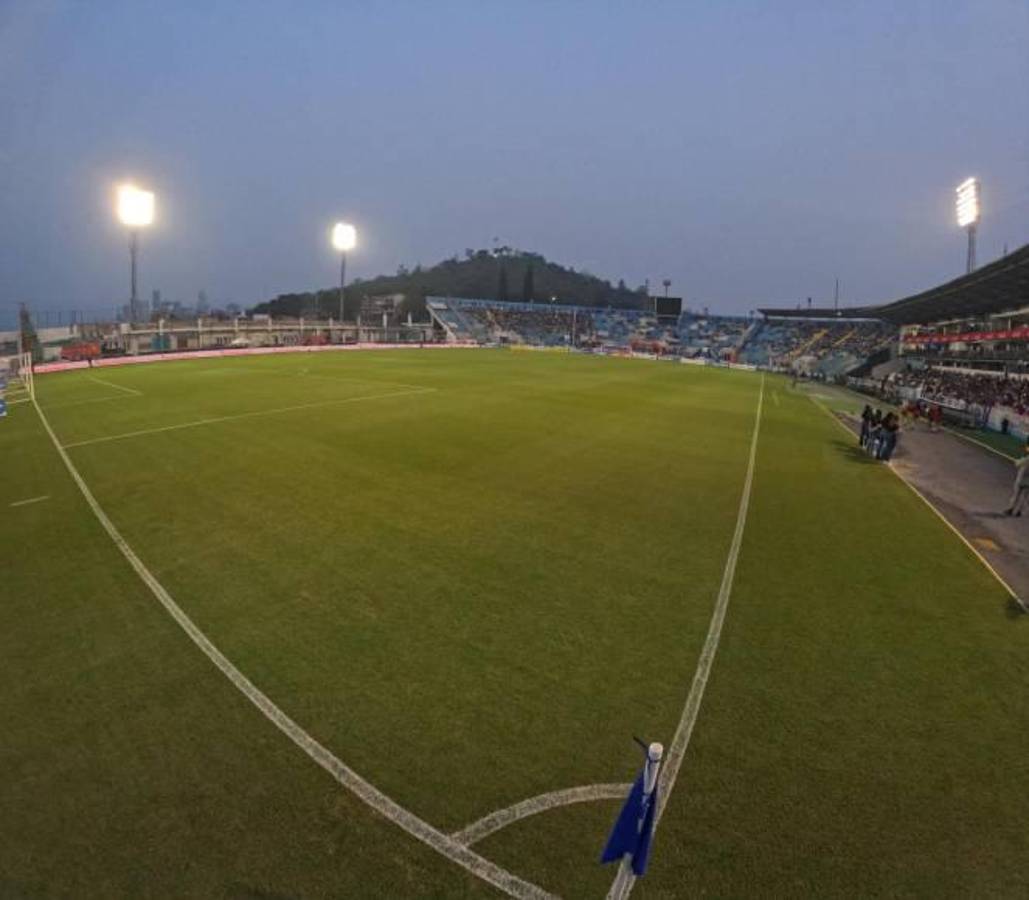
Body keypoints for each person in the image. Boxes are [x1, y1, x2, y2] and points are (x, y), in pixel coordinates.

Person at [1004, 442, 1029, 517]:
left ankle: (1010, 509)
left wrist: (1022, 458)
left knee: (1016, 495)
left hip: (1021, 479)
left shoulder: (1027, 458)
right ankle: (1019, 511)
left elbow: (1017, 463)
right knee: (1024, 497)